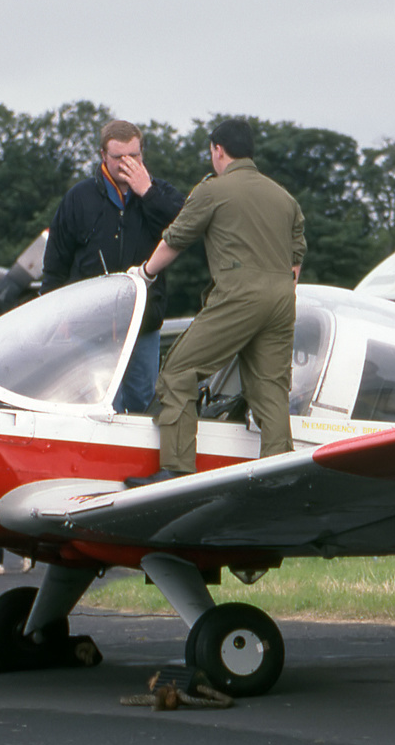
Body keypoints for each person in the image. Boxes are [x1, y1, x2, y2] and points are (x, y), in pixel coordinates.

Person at [125, 119, 305, 486]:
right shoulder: (284, 198)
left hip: (239, 295)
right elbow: (295, 260)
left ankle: (176, 469)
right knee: (270, 387)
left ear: (218, 150)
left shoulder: (213, 191)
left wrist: (143, 274)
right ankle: (278, 478)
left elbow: (175, 239)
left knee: (179, 372)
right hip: (283, 297)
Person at [41, 119, 185, 414]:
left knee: (144, 402)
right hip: (90, 326)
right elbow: (56, 263)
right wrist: (55, 317)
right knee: (101, 406)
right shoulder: (78, 198)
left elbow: (186, 226)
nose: (127, 163)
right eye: (119, 157)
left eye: (135, 156)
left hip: (143, 324)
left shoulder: (160, 193)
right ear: (103, 155)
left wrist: (148, 192)